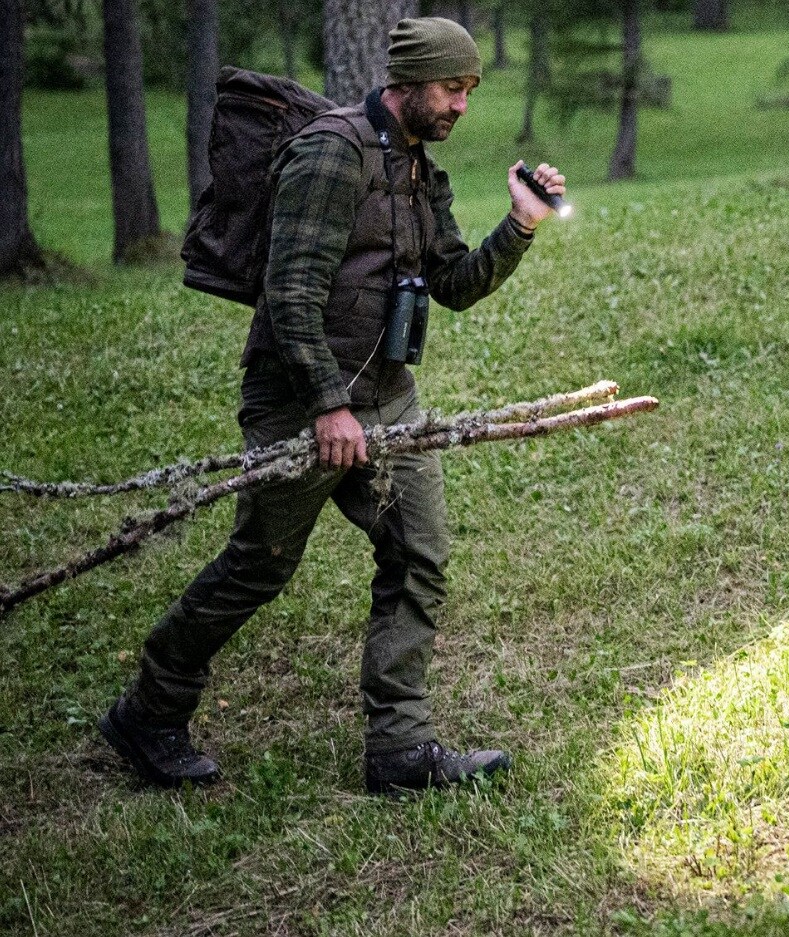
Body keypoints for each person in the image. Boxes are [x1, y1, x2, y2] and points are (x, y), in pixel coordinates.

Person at [98, 17, 565, 795]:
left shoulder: (420, 171)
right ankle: (150, 707)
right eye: (453, 89)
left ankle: (401, 752)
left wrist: (519, 224)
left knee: (418, 554)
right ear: (410, 81)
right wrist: (325, 406)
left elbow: (450, 286)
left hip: (389, 397)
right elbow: (289, 292)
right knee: (259, 565)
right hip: (300, 401)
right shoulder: (329, 153)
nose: (461, 107)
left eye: (470, 92)